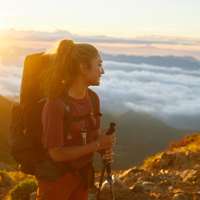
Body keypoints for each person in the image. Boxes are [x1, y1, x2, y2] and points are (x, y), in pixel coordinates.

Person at [36, 39, 116, 200]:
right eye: (99, 65)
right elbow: (56, 154)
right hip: (56, 180)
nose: (103, 71)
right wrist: (97, 145)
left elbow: (93, 139)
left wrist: (103, 148)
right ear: (83, 68)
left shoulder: (93, 98)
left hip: (83, 175)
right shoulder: (55, 105)